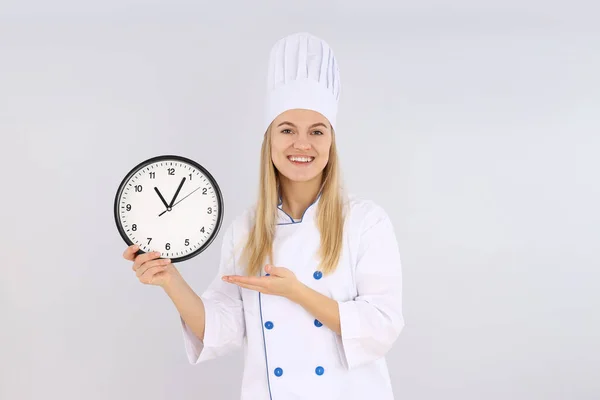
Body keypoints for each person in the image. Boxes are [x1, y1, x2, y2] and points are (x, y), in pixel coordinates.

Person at [123, 31, 405, 399]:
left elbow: (382, 325)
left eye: (316, 132)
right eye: (287, 130)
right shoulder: (247, 230)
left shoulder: (366, 222)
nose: (301, 144)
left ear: (330, 142)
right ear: (269, 139)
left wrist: (297, 292)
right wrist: (169, 278)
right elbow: (221, 327)